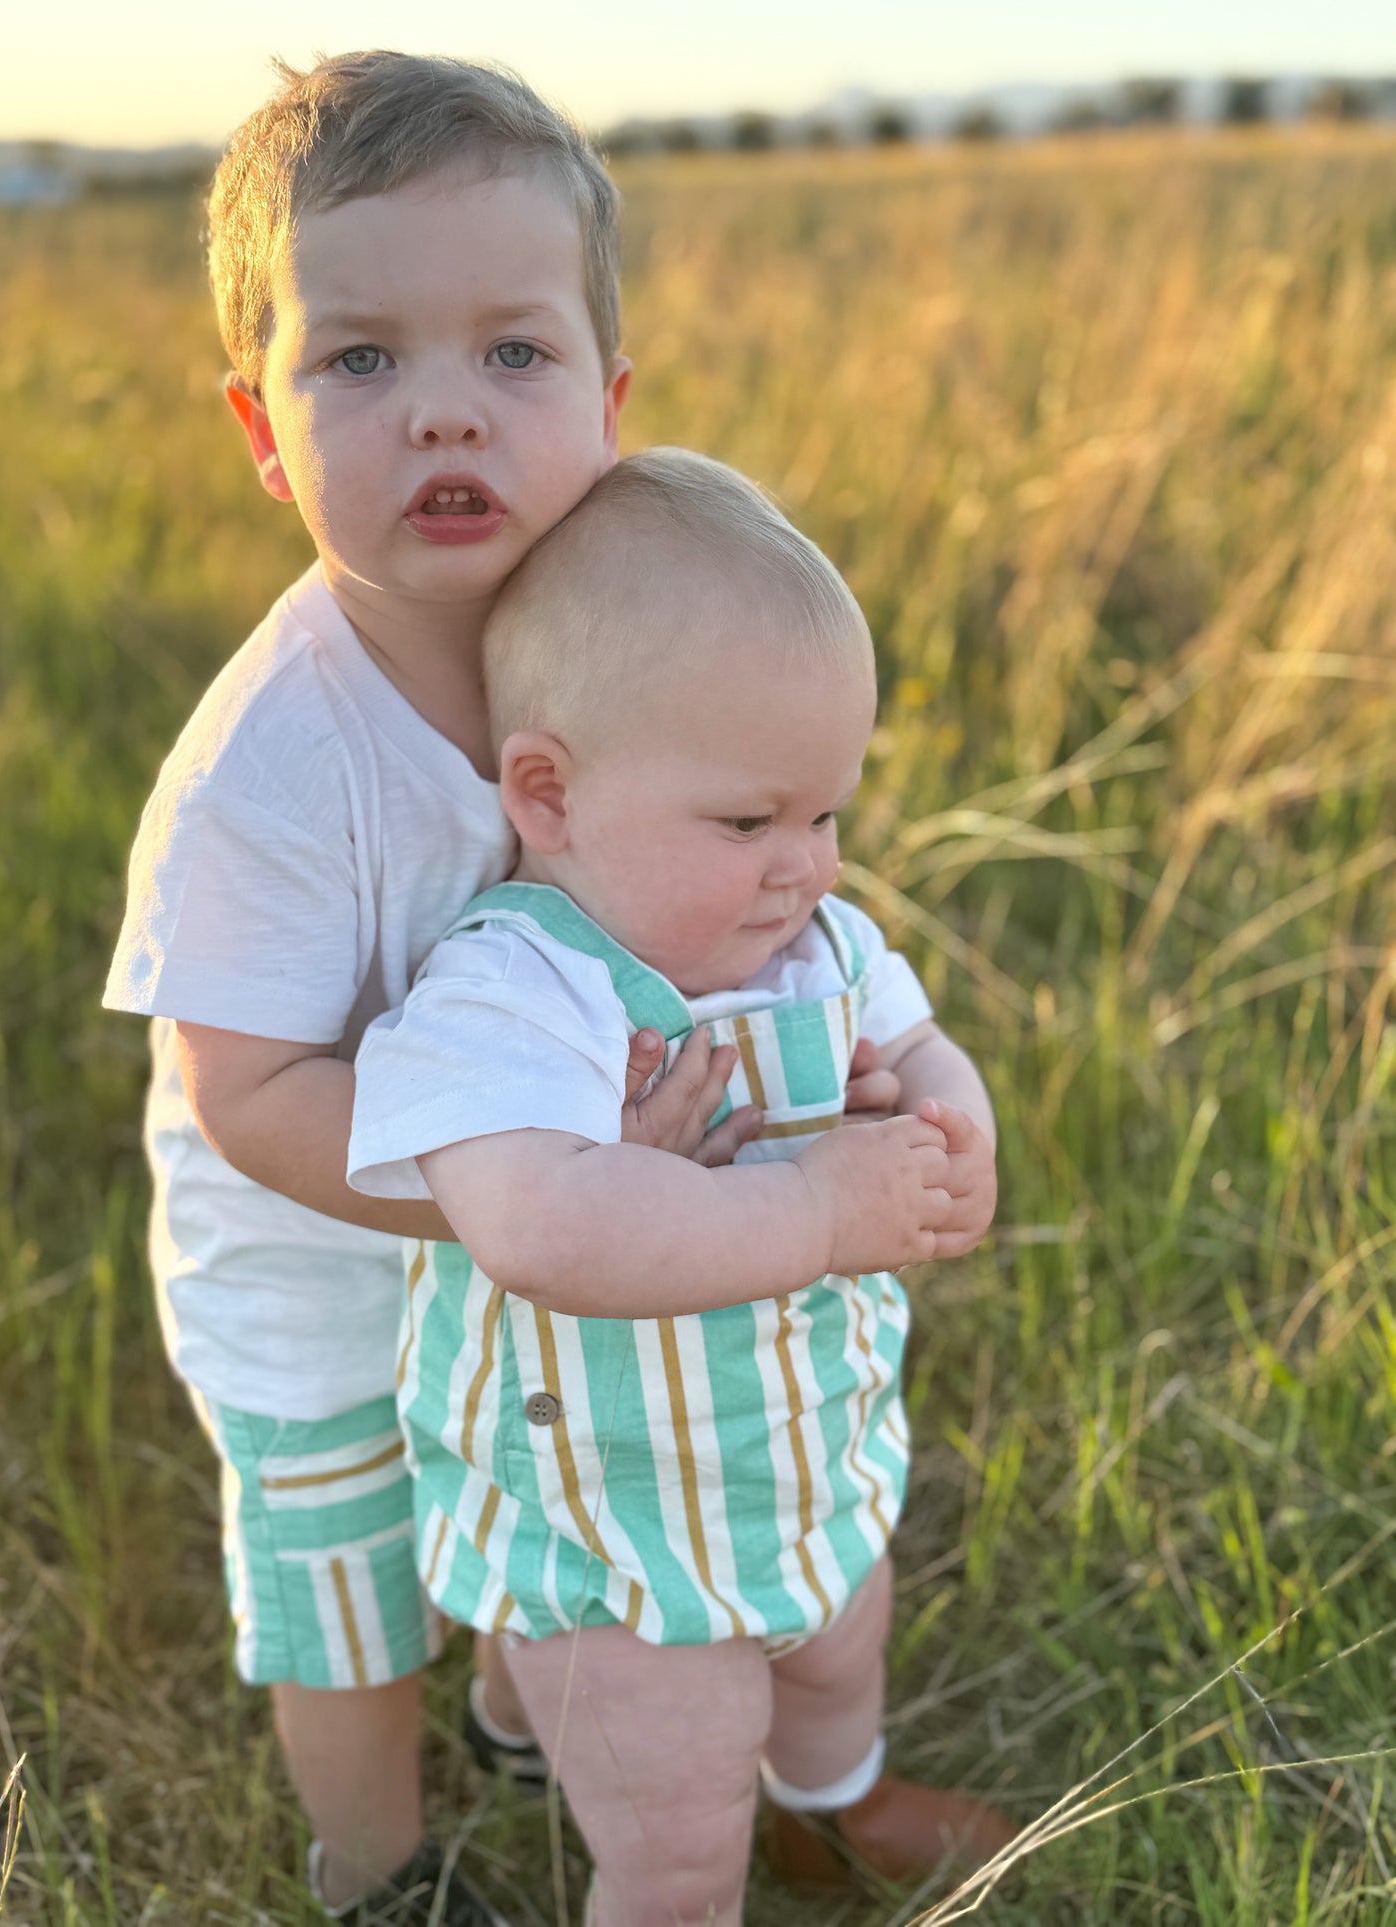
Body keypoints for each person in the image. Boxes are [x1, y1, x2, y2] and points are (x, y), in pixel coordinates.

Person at [102, 53, 772, 1924]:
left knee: (527, 1473)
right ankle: (373, 1869)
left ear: (612, 402)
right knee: (346, 1574)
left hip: (532, 1211)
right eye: (362, 361)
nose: (443, 417)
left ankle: (520, 1716)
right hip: (314, 1262)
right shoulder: (275, 763)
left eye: (513, 355)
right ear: (262, 426)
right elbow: (246, 1089)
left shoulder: (616, 656)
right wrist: (511, 1184)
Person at [346, 449, 1017, 1926]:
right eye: (747, 824)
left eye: (828, 817)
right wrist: (819, 1215)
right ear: (551, 794)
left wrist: (948, 1130)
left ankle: (828, 1813)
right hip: (615, 1522)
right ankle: (686, 1863)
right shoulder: (517, 989)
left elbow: (916, 1039)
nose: (805, 869)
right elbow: (533, 1227)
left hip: (799, 1445)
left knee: (838, 1652)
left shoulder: (816, 949)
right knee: (674, 1819)